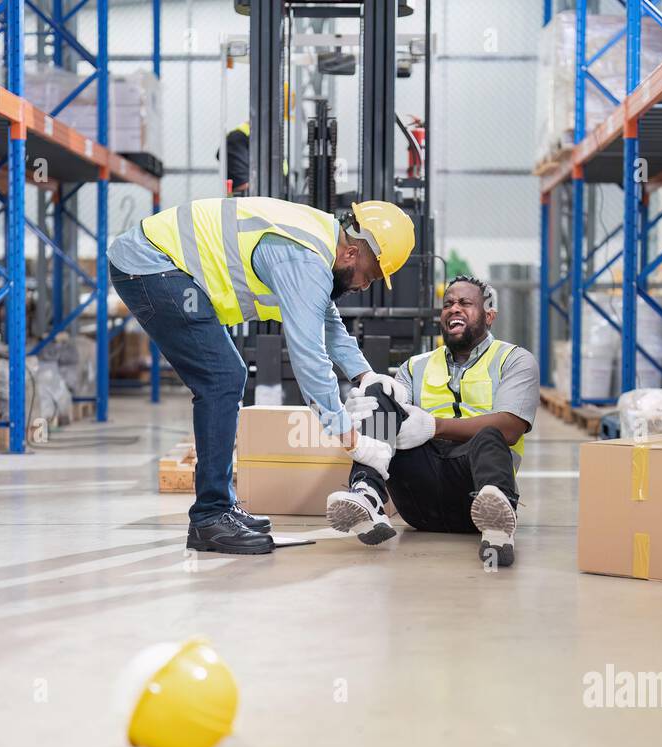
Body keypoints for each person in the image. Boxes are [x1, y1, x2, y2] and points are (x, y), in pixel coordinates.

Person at [109, 196, 415, 555]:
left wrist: (366, 376)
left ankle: (219, 505)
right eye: (371, 276)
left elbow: (328, 322)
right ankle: (210, 518)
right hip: (151, 264)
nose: (365, 286)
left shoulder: (319, 243)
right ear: (352, 255)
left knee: (225, 375)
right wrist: (354, 442)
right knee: (221, 378)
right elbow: (309, 359)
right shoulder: (304, 260)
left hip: (157, 262)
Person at [325, 275, 540, 567]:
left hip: (475, 495)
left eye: (466, 303)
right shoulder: (414, 367)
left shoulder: (514, 360)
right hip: (419, 502)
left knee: (490, 435)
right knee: (379, 389)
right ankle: (369, 495)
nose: (454, 309)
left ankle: (497, 532)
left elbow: (511, 428)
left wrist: (434, 426)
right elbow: (390, 422)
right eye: (448, 304)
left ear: (489, 315)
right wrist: (366, 410)